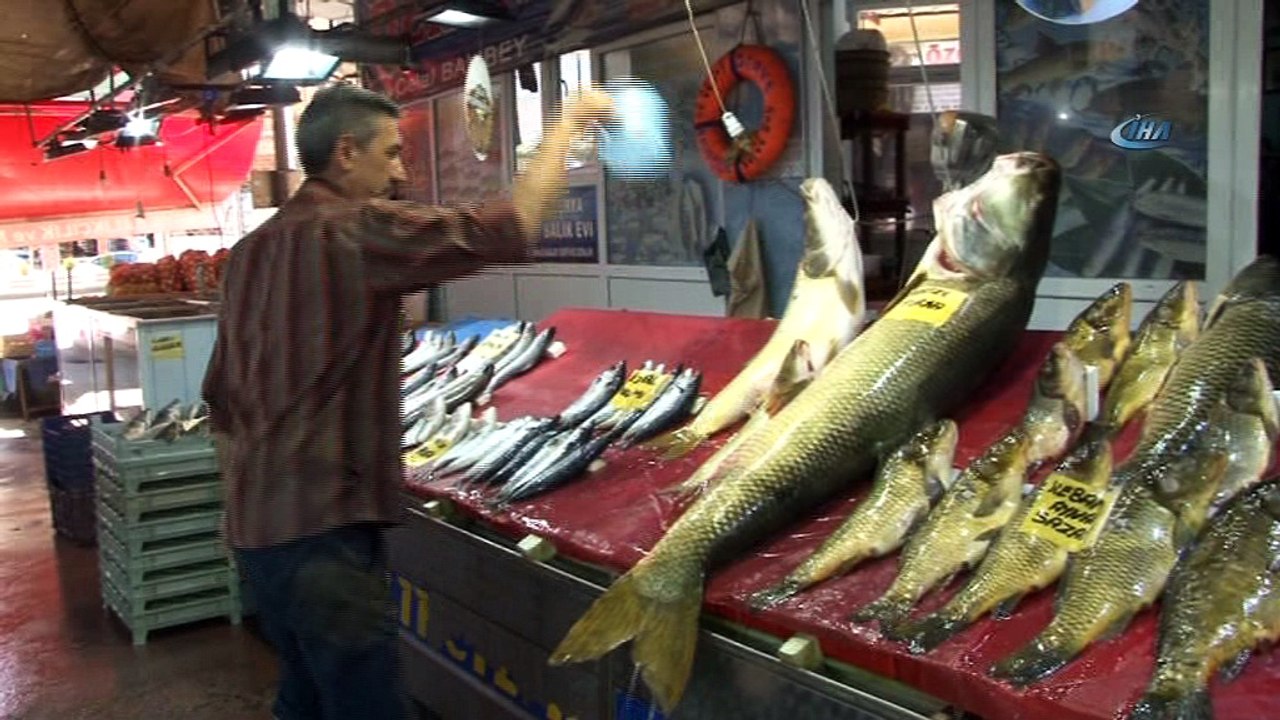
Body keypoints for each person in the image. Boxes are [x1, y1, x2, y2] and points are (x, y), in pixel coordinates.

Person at [200, 83, 616, 720]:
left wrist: (241, 514)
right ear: (346, 153)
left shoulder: (250, 253)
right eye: (391, 154)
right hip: (324, 539)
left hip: (256, 534)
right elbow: (509, 227)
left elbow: (221, 401)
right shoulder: (353, 230)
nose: (400, 171)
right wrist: (570, 123)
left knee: (305, 698)